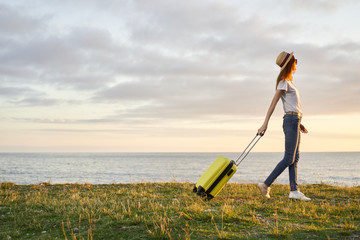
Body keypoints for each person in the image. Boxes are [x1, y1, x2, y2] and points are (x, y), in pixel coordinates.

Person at [257, 51, 311, 201]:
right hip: (290, 121)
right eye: (295, 60)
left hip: (295, 121)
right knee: (289, 158)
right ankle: (266, 184)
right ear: (290, 64)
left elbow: (293, 106)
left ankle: (294, 191)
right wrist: (264, 124)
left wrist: (299, 123)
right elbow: (273, 104)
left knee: (295, 157)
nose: (297, 63)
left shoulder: (290, 82)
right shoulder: (283, 82)